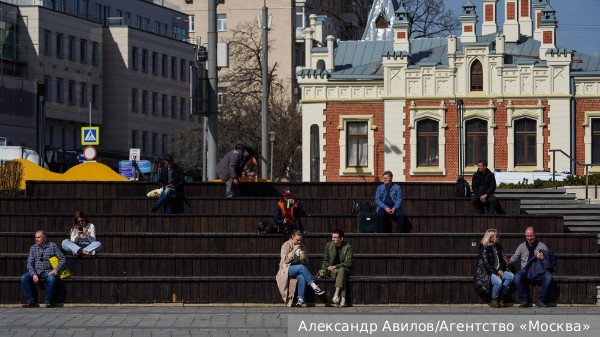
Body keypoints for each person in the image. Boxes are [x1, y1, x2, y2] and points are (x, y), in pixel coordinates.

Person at [504, 226, 556, 308]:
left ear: (535, 235)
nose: (529, 238)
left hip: (540, 269)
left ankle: (540, 300)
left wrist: (542, 258)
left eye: (531, 236)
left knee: (549, 277)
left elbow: (548, 261)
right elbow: (515, 257)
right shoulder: (521, 246)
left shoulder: (542, 246)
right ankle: (524, 300)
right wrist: (509, 261)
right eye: (527, 236)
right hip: (526, 269)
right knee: (517, 277)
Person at [276, 230, 325, 307]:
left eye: (300, 240)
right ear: (292, 237)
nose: (299, 242)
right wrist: (294, 251)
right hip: (286, 269)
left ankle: (300, 300)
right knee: (301, 267)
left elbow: (306, 262)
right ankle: (315, 287)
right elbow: (284, 260)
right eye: (297, 240)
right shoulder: (286, 245)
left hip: (298, 268)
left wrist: (303, 258)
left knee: (301, 277)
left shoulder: (302, 246)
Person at [21, 230, 67, 308]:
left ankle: (48, 301)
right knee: (23, 278)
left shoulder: (52, 246)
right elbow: (29, 263)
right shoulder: (33, 248)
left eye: (39, 237)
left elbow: (63, 259)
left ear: (44, 238)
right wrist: (33, 274)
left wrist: (56, 269)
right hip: (36, 270)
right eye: (35, 237)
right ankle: (30, 301)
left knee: (52, 279)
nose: (36, 239)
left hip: (48, 271)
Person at [473, 229, 514, 308]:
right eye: (497, 236)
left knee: (510, 276)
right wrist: (496, 273)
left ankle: (501, 296)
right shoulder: (484, 249)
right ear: (491, 238)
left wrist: (501, 269)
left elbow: (501, 261)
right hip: (486, 272)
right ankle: (494, 299)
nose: (498, 237)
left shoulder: (497, 247)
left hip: (497, 270)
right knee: (498, 281)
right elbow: (487, 264)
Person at [318, 229, 353, 308]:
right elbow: (325, 260)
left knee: (342, 269)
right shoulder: (328, 245)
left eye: (336, 237)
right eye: (332, 237)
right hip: (332, 271)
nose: (333, 239)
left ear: (341, 238)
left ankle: (336, 294)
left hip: (345, 269)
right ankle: (342, 298)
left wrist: (335, 266)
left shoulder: (347, 247)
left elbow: (348, 263)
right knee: (341, 274)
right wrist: (323, 269)